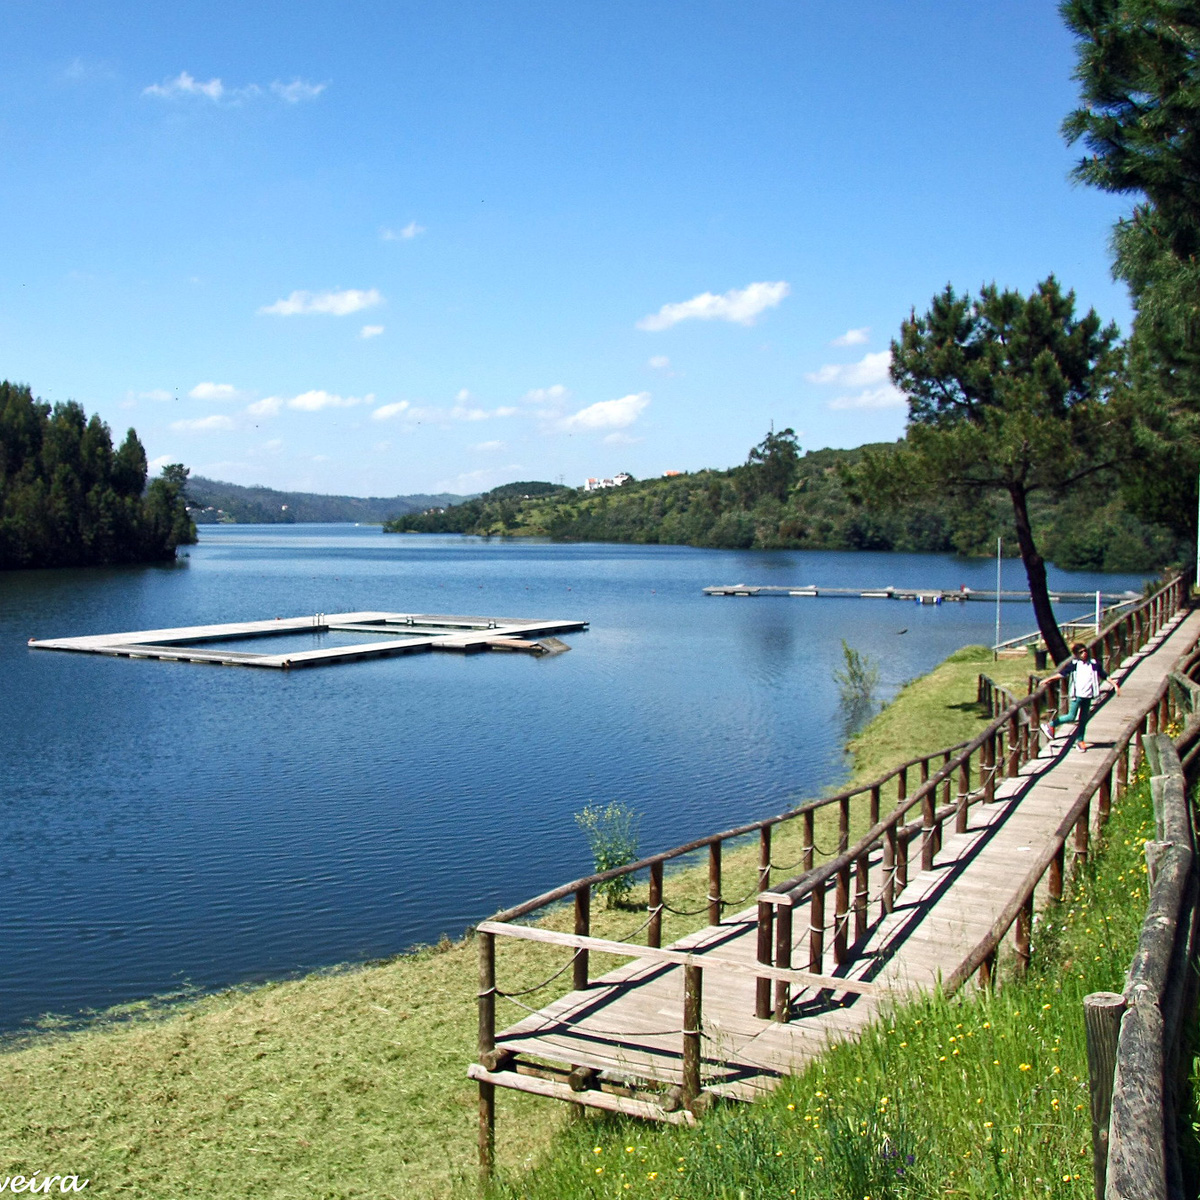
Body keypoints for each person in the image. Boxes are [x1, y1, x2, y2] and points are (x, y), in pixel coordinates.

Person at [1040, 643, 1120, 752]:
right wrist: (1048, 679)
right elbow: (1063, 674)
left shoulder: (1094, 664)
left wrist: (1114, 685)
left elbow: (1104, 675)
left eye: (1085, 651)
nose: (1084, 654)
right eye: (1081, 652)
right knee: (1071, 716)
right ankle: (1050, 725)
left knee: (1083, 719)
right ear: (1076, 655)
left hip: (1088, 696)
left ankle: (1080, 741)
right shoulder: (1075, 665)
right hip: (1077, 695)